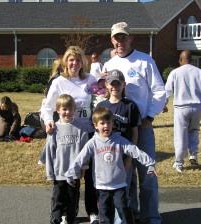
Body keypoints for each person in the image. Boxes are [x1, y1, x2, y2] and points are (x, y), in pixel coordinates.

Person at [102, 22, 166, 224]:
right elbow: (103, 92)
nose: (120, 41)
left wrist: (150, 117)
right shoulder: (109, 65)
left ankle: (151, 216)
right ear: (112, 40)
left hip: (142, 127)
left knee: (147, 173)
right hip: (119, 129)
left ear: (131, 38)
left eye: (124, 37)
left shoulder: (145, 61)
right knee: (124, 175)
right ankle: (130, 212)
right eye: (116, 38)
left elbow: (160, 91)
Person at [65, 106, 157, 224]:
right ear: (95, 125)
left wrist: (150, 163)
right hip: (101, 186)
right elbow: (80, 159)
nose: (106, 126)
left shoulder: (119, 140)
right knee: (105, 215)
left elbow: (135, 151)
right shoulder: (92, 143)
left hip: (119, 185)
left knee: (124, 211)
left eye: (109, 122)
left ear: (112, 123)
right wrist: (71, 173)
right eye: (102, 123)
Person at [41, 46, 99, 224]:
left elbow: (99, 102)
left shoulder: (90, 79)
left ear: (83, 62)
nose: (75, 63)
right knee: (69, 177)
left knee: (91, 175)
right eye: (71, 60)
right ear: (66, 62)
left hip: (88, 134)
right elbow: (47, 106)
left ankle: (92, 211)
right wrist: (49, 120)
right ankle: (66, 212)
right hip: (67, 136)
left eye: (78, 59)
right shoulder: (59, 81)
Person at [96, 69, 142, 223]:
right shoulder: (102, 107)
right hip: (106, 159)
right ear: (106, 85)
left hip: (124, 157)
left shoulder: (130, 106)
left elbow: (135, 132)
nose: (114, 87)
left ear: (124, 85)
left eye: (118, 83)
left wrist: (130, 158)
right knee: (107, 194)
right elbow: (97, 135)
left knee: (123, 194)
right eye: (111, 83)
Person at [163, 50, 201, 173]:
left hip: (181, 107)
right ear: (191, 60)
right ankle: (193, 154)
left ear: (180, 60)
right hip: (197, 106)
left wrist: (163, 105)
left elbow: (167, 91)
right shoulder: (200, 72)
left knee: (180, 135)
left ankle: (179, 163)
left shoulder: (175, 72)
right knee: (194, 130)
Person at [45, 94, 88, 224]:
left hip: (74, 172)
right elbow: (49, 151)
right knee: (58, 197)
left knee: (72, 198)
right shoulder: (54, 129)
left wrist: (84, 167)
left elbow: (85, 151)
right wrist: (50, 172)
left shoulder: (81, 128)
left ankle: (71, 218)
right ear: (58, 110)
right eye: (64, 109)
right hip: (59, 171)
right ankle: (56, 218)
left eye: (70, 109)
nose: (67, 112)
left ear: (74, 110)